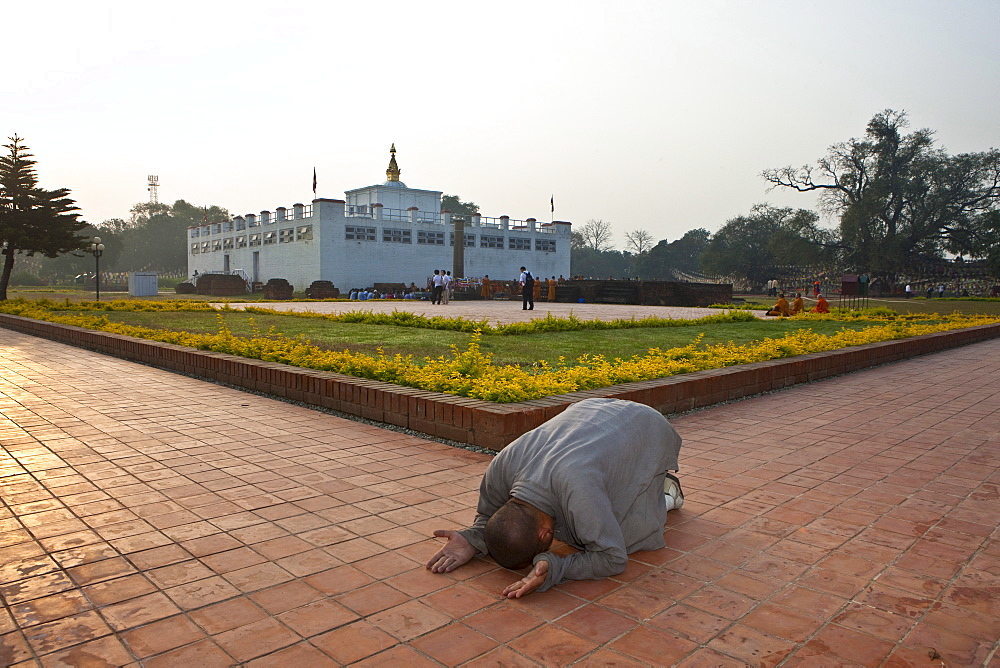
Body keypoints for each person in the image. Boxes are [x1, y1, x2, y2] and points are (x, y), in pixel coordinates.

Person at [425, 398, 684, 598]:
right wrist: (473, 538)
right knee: (589, 521)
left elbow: (613, 558)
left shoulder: (577, 486)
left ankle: (665, 492)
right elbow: (487, 516)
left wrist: (557, 568)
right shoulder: (502, 463)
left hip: (647, 425)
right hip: (592, 410)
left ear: (544, 535)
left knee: (628, 535)